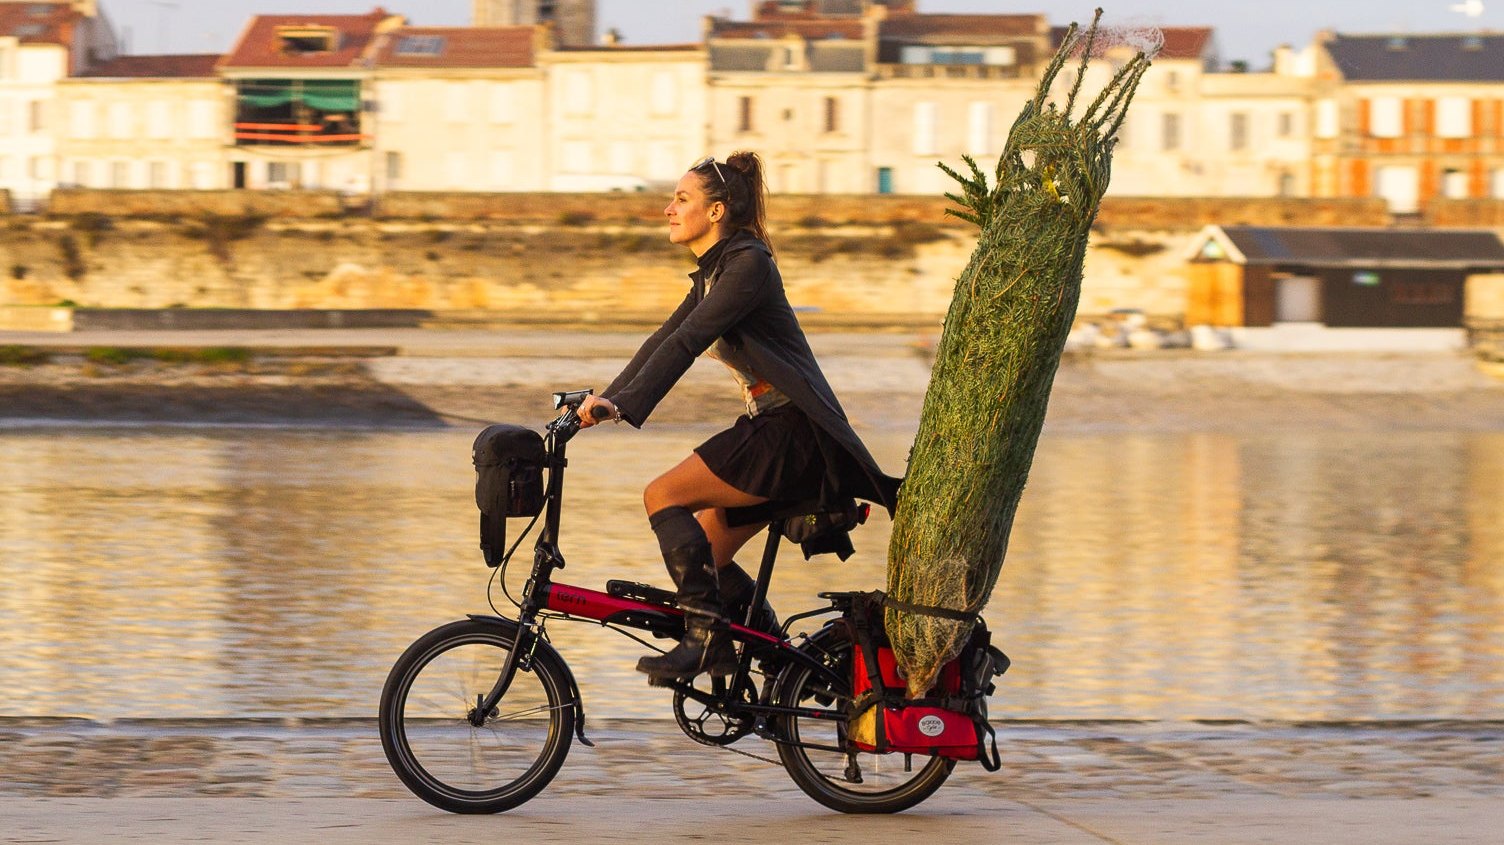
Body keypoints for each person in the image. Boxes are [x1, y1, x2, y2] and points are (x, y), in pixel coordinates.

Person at [577, 152, 900, 681]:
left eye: (682, 199)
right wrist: (603, 403)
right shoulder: (717, 270)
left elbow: (688, 341)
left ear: (717, 210)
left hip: (790, 432)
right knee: (709, 553)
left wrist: (625, 407)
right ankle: (784, 665)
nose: (668, 209)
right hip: (773, 429)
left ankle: (707, 640)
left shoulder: (748, 264)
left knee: (662, 495)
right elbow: (662, 338)